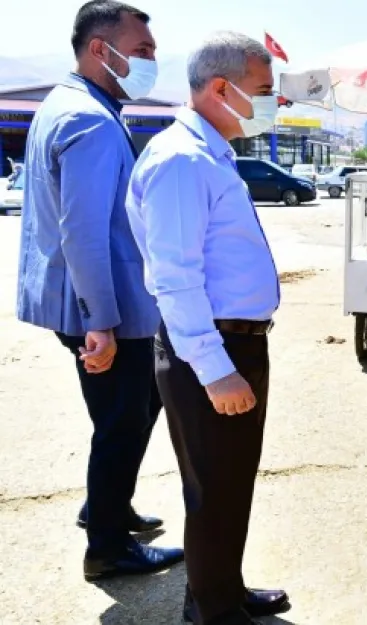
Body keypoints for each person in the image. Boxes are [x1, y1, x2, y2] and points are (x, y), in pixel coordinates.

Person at [15, 0, 183, 581]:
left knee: (124, 412)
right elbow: (82, 230)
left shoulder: (66, 104)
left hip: (83, 298)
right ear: (99, 49)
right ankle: (108, 547)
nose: (151, 63)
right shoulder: (87, 118)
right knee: (125, 418)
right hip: (101, 304)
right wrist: (101, 323)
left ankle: (106, 507)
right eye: (142, 52)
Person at [125, 31, 288, 625]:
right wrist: (217, 371)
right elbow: (175, 278)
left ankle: (221, 587)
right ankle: (213, 613)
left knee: (229, 485)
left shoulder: (211, 151)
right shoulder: (182, 161)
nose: (274, 103)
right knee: (214, 490)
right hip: (211, 348)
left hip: (234, 341)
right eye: (264, 91)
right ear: (222, 89)